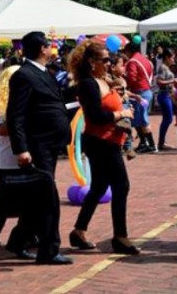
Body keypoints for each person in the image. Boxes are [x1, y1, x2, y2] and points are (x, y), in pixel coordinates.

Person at [6, 31, 72, 265]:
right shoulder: (24, 75)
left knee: (38, 199)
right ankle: (49, 250)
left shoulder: (45, 72)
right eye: (48, 45)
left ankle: (18, 240)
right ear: (42, 49)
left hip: (51, 144)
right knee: (48, 200)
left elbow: (53, 102)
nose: (51, 49)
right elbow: (16, 115)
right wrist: (21, 148)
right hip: (38, 145)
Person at [68, 41, 139, 255]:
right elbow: (95, 116)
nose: (109, 63)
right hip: (100, 142)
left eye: (110, 59)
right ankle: (120, 237)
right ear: (91, 62)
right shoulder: (88, 84)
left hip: (110, 140)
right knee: (121, 185)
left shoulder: (102, 81)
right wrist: (121, 115)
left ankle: (79, 231)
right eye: (105, 60)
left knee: (99, 186)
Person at [0, 65, 36, 259]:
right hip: (6, 160)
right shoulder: (0, 105)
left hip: (28, 157)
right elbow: (1, 130)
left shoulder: (28, 100)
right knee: (7, 201)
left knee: (30, 199)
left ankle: (27, 234)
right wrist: (22, 119)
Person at [123, 42, 156, 154]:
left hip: (139, 92)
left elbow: (131, 78)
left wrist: (123, 78)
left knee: (142, 120)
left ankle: (150, 144)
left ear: (129, 51)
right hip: (147, 91)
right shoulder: (146, 60)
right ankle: (144, 143)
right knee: (139, 118)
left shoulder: (132, 61)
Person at [155, 49, 177, 150]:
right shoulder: (163, 67)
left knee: (167, 118)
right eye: (172, 57)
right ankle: (161, 142)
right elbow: (159, 81)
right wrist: (172, 80)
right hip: (164, 95)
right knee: (168, 119)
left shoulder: (166, 68)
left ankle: (162, 142)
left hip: (167, 95)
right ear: (167, 58)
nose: (173, 60)